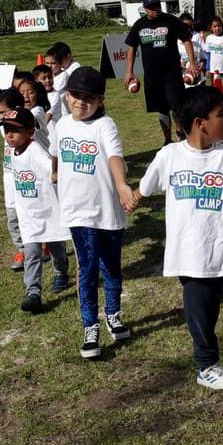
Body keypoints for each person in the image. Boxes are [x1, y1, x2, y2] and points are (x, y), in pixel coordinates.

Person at [130, 86, 223, 394]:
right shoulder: (169, 155)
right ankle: (207, 366)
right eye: (221, 115)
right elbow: (145, 186)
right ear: (200, 123)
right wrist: (135, 199)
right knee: (202, 318)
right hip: (190, 258)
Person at [50, 66, 136, 359]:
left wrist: (122, 186)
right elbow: (55, 154)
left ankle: (113, 313)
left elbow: (114, 157)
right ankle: (90, 327)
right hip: (77, 211)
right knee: (86, 268)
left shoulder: (105, 125)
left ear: (100, 101)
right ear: (66, 96)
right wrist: (53, 173)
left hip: (107, 211)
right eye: (75, 95)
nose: (80, 102)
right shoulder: (61, 125)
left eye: (89, 98)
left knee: (111, 266)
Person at [0, 107, 70, 314]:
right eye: (6, 130)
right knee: (32, 254)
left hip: (47, 212)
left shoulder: (35, 151)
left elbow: (53, 171)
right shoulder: (12, 150)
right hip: (28, 216)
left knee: (56, 247)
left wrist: (59, 175)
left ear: (30, 132)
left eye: (15, 130)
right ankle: (33, 292)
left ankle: (61, 272)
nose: (9, 135)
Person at [122, 0, 197, 144]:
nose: (154, 9)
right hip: (152, 76)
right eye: (150, 7)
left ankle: (180, 131)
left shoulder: (172, 21)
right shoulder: (140, 25)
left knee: (176, 106)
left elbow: (186, 40)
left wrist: (192, 64)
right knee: (161, 109)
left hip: (172, 73)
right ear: (144, 8)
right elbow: (131, 47)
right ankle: (167, 140)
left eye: (156, 5)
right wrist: (129, 71)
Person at [0, 87, 29, 272]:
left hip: (28, 180)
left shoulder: (28, 127)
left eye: (2, 112)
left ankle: (45, 246)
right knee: (13, 218)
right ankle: (22, 250)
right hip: (9, 178)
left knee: (34, 215)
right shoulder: (3, 127)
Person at [177, 12, 205, 86]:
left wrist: (203, 63)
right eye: (186, 26)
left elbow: (203, 57)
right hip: (185, 79)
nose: (189, 28)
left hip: (199, 79)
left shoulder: (197, 41)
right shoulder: (176, 43)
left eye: (191, 26)